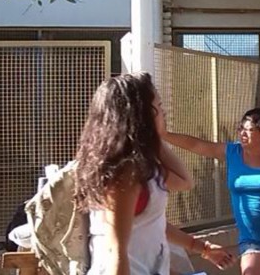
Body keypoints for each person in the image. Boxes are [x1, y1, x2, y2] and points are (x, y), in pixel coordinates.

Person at [73, 72, 196, 275]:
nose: (163, 113)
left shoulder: (145, 167)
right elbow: (117, 251)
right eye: (159, 107)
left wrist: (157, 137)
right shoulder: (124, 173)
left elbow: (184, 182)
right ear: (142, 114)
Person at [164, 108, 260, 275]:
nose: (242, 133)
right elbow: (196, 145)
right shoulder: (232, 152)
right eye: (241, 128)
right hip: (252, 236)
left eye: (249, 130)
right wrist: (164, 135)